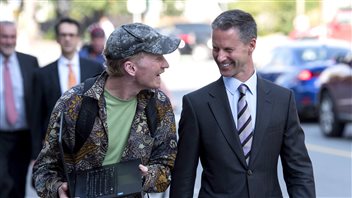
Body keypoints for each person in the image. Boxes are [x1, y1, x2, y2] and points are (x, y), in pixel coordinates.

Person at [170, 9, 316, 198]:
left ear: (251, 45)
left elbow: (299, 171)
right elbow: (183, 176)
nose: (220, 57)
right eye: (215, 48)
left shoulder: (283, 99)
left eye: (228, 50)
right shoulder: (196, 104)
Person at [32, 22, 180, 197]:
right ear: (131, 68)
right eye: (157, 57)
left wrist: (147, 176)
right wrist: (57, 189)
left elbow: (167, 166)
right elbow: (44, 170)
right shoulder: (74, 102)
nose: (165, 64)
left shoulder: (159, 104)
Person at [31, 17, 104, 158]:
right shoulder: (43, 74)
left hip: (89, 145)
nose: (67, 39)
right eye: (63, 35)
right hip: (54, 146)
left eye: (72, 35)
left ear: (78, 38)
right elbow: (36, 115)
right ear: (57, 38)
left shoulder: (94, 68)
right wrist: (35, 154)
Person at [0, 21, 39, 198]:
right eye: (4, 37)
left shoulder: (29, 62)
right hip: (0, 136)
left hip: (23, 137)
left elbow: (38, 102)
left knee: (18, 184)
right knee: (3, 183)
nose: (8, 41)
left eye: (12, 37)